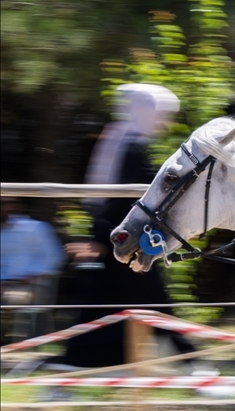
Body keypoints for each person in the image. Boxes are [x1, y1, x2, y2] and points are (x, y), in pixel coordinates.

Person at [63, 83, 191, 367]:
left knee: (114, 303)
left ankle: (81, 362)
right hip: (124, 240)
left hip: (117, 237)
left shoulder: (120, 140)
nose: (165, 121)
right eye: (162, 114)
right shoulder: (131, 146)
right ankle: (192, 364)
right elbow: (125, 198)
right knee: (152, 303)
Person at [0, 197, 65, 342]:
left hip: (33, 282)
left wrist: (32, 277)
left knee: (18, 298)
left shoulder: (35, 228)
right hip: (4, 284)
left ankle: (24, 349)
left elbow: (54, 257)